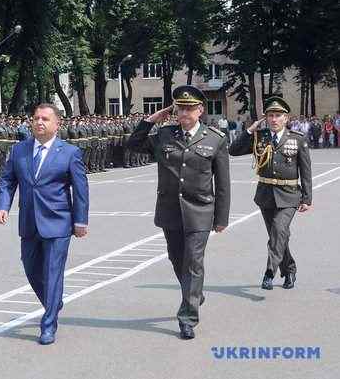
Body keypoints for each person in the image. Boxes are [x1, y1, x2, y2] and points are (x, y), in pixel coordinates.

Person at [127, 85, 231, 340]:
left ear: (200, 110)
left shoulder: (214, 139)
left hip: (200, 211)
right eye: (180, 108)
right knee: (177, 259)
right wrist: (150, 119)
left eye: (189, 108)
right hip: (170, 210)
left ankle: (187, 317)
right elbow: (133, 145)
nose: (184, 112)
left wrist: (221, 218)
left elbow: (224, 183)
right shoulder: (164, 135)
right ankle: (194, 293)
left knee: (193, 262)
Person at [0, 103, 89, 345]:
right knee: (30, 268)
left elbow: (80, 190)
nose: (39, 122)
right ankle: (53, 301)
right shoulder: (19, 151)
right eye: (36, 118)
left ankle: (48, 325)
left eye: (45, 118)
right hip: (28, 222)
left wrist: (80, 220)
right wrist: (3, 205)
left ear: (57, 124)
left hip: (58, 223)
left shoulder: (69, 152)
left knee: (52, 271)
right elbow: (7, 180)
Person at [229, 96, 312, 290]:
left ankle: (269, 271)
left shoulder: (297, 139)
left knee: (278, 230)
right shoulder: (260, 136)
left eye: (278, 116)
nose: (273, 119)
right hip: (266, 194)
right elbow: (233, 150)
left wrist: (307, 198)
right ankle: (290, 269)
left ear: (286, 118)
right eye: (270, 115)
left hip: (290, 194)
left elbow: (306, 171)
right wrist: (249, 130)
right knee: (279, 236)